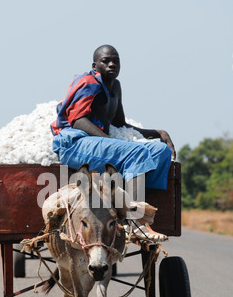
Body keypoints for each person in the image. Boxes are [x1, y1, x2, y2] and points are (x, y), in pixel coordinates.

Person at [51, 45, 176, 241]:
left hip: (97, 143)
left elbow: (120, 123)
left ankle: (131, 202)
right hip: (75, 142)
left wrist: (157, 133)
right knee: (135, 153)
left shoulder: (115, 86)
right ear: (95, 65)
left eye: (115, 61)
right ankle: (135, 222)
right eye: (106, 60)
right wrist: (111, 142)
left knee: (160, 151)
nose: (111, 64)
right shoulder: (89, 83)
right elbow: (78, 121)